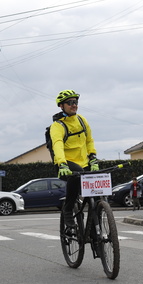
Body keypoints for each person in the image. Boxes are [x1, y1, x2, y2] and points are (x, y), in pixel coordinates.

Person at [50, 90, 97, 231]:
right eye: (70, 103)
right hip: (66, 163)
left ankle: (97, 218)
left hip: (84, 161)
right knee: (76, 176)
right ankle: (68, 210)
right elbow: (57, 145)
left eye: (75, 102)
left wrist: (93, 157)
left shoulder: (82, 120)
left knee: (97, 182)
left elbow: (89, 141)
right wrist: (62, 163)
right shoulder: (57, 126)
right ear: (61, 106)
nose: (74, 105)